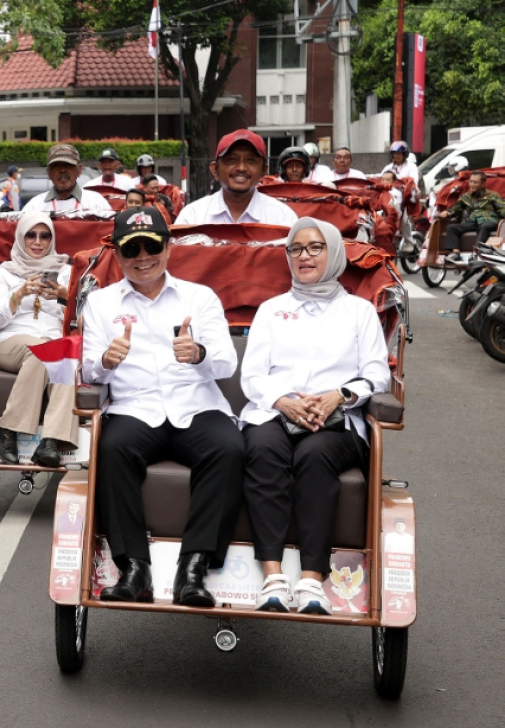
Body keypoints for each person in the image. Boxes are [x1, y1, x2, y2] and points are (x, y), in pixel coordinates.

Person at [81, 206, 244, 607]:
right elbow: (88, 371)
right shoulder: (101, 304)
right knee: (111, 449)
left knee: (230, 449)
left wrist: (197, 352)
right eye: (131, 249)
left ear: (168, 249)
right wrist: (106, 360)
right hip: (135, 407)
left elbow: (226, 362)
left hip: (197, 402)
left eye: (151, 245)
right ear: (117, 256)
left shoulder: (199, 297)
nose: (142, 257)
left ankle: (194, 568)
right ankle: (134, 567)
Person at [239, 217, 389, 614]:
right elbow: (252, 376)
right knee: (262, 448)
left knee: (313, 455)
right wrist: (283, 401)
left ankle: (311, 579)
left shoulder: (359, 312)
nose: (304, 256)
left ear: (334, 253)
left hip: (337, 421)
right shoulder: (272, 310)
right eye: (296, 249)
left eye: (315, 247)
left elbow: (377, 374)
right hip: (276, 412)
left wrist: (338, 396)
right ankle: (272, 574)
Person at [0, 212, 77, 469]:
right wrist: (19, 294)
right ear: (20, 237)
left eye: (44, 236)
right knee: (44, 353)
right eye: (31, 235)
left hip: (54, 340)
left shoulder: (66, 271)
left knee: (65, 360)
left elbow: (81, 317)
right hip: (12, 341)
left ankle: (51, 441)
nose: (38, 242)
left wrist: (63, 297)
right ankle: (6, 428)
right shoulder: (5, 272)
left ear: (52, 239)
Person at [175, 130, 298, 226]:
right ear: (215, 170)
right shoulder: (192, 217)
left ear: (263, 171)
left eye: (251, 160)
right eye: (232, 160)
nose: (241, 167)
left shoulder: (283, 219)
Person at [437, 170, 505, 260]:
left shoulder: (493, 195)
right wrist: (448, 213)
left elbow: (502, 209)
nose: (471, 184)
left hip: (489, 221)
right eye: (470, 181)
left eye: (475, 182)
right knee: (452, 228)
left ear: (483, 183)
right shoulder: (466, 196)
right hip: (473, 223)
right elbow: (456, 209)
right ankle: (455, 253)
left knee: (484, 226)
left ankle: (476, 253)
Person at [23, 145, 111, 213]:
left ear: (79, 170)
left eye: (68, 165)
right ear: (49, 173)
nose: (62, 170)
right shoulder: (35, 206)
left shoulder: (96, 203)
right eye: (56, 166)